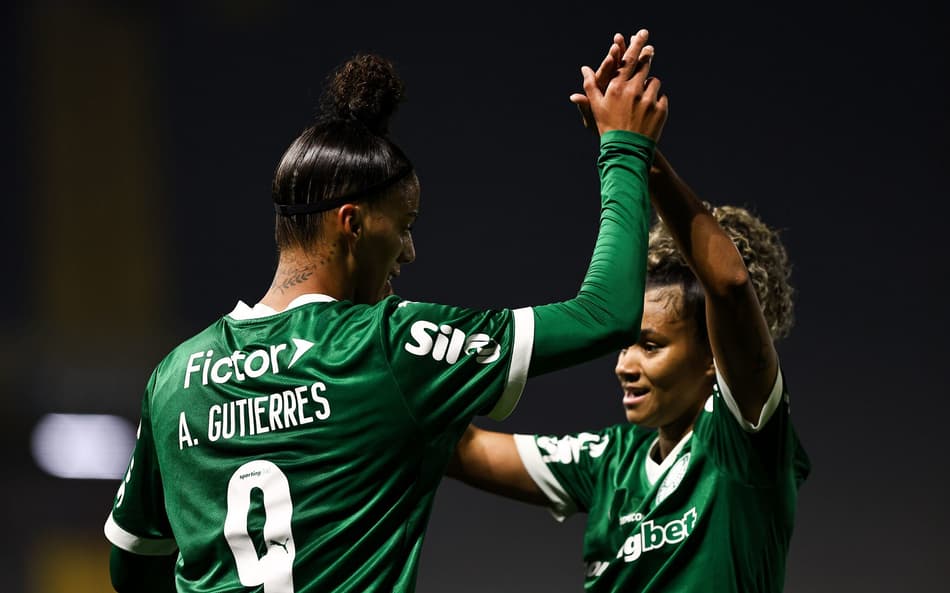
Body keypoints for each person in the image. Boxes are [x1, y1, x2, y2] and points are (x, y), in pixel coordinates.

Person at [103, 30, 669, 593]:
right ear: (351, 223)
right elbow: (604, 314)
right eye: (404, 228)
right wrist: (623, 146)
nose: (409, 251)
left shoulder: (174, 377)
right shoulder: (390, 345)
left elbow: (132, 562)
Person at [446, 36, 811, 593]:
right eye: (626, 344)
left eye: (651, 344)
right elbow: (463, 447)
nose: (623, 364)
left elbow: (731, 286)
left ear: (715, 358)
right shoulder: (610, 461)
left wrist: (633, 152)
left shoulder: (743, 446)